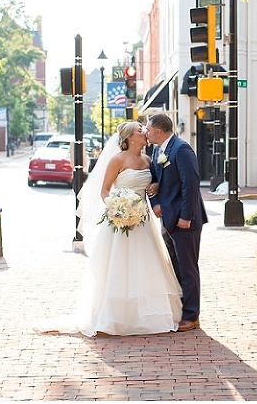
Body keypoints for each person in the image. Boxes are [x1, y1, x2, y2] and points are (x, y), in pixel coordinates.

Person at [36, 121, 182, 337]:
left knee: (145, 265)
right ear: (130, 138)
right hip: (119, 222)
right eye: (140, 130)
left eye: (144, 129)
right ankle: (115, 317)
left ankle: (147, 316)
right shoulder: (118, 160)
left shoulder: (148, 159)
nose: (145, 132)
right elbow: (104, 190)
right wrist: (117, 208)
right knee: (119, 266)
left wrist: (155, 186)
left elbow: (155, 183)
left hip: (143, 222)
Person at [145, 113, 208, 332]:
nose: (146, 131)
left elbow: (190, 184)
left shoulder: (181, 149)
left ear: (158, 131)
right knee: (177, 268)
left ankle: (192, 317)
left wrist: (186, 217)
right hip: (167, 220)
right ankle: (182, 311)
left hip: (184, 220)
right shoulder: (156, 151)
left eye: (148, 128)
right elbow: (153, 180)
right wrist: (155, 202)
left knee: (188, 269)